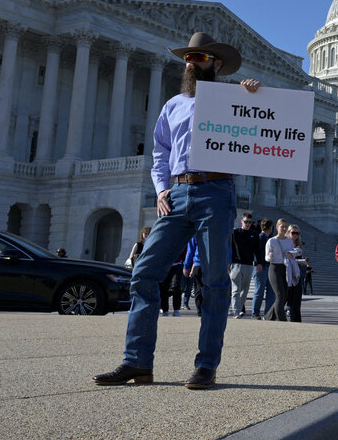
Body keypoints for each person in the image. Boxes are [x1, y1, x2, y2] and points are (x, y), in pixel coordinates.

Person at [93, 32, 258, 390]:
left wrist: (255, 96)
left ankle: (206, 365)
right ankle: (137, 362)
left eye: (197, 57)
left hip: (216, 191)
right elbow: (159, 153)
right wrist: (161, 189)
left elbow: (260, 127)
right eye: (187, 57)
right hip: (178, 193)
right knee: (144, 273)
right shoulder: (173, 104)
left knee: (214, 281)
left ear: (214, 63)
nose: (189, 62)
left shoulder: (237, 99)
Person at [230, 213, 260, 318]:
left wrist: (259, 262)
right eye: (246, 221)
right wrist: (228, 262)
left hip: (249, 264)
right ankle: (236, 311)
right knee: (236, 289)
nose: (247, 224)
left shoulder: (254, 235)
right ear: (241, 221)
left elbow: (257, 250)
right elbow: (229, 248)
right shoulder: (234, 233)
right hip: (236, 264)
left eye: (249, 222)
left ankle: (238, 307)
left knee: (245, 290)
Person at [264, 218, 292, 321]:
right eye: (282, 226)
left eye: (286, 227)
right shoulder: (271, 241)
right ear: (277, 227)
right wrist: (270, 256)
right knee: (280, 294)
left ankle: (268, 317)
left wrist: (291, 255)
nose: (284, 228)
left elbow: (292, 254)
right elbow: (266, 257)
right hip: (274, 268)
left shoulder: (289, 241)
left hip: (285, 268)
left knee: (284, 297)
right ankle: (282, 320)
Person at [251, 219, 274, 319]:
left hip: (268, 267)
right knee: (259, 290)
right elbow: (256, 252)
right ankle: (255, 313)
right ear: (271, 227)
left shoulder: (268, 238)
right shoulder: (261, 237)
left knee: (271, 291)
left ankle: (268, 313)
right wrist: (258, 263)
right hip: (261, 266)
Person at [283, 225, 306, 322]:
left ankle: (296, 320)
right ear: (288, 233)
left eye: (297, 233)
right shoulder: (285, 243)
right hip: (286, 273)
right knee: (284, 297)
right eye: (293, 233)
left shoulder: (299, 245)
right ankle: (272, 315)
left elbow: (296, 258)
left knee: (296, 298)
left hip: (296, 274)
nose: (295, 235)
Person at [160, 247, 185, 317]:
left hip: (177, 264)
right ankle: (165, 309)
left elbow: (184, 250)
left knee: (176, 286)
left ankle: (176, 310)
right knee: (164, 288)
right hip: (163, 265)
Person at [183, 237, 204, 317]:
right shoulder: (197, 233)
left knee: (209, 289)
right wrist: (187, 266)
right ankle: (200, 312)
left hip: (213, 265)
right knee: (199, 288)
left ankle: (205, 310)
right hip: (199, 264)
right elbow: (190, 249)